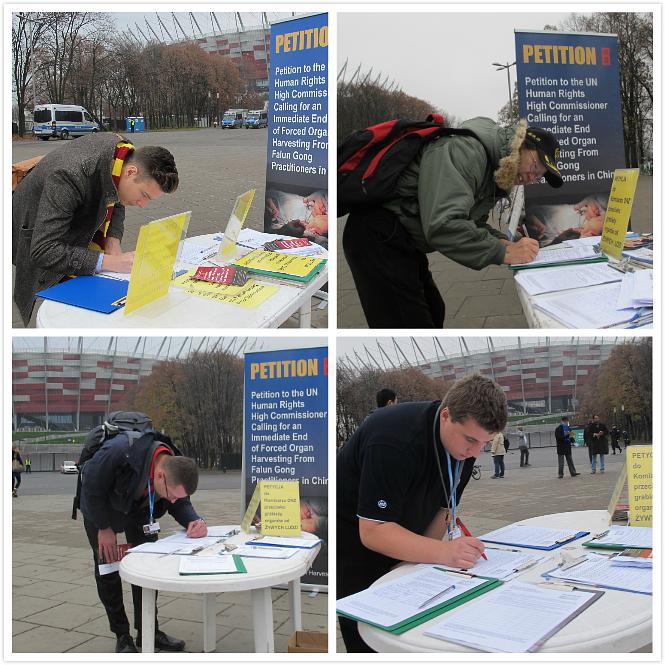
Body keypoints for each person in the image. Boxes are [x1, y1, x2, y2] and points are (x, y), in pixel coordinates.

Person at [337, 374, 507, 652]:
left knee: (412, 635)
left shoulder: (464, 449)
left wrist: (417, 562)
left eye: (485, 443)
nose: (476, 451)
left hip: (401, 531)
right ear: (446, 415)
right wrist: (443, 553)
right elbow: (373, 531)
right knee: (370, 637)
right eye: (470, 440)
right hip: (356, 544)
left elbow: (444, 508)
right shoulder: (392, 440)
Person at [342, 119, 564, 328]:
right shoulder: (466, 152)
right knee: (410, 324)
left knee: (435, 310)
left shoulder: (493, 171)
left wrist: (506, 243)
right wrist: (502, 252)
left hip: (402, 237)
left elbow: (471, 223)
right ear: (520, 144)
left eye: (538, 176)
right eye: (534, 167)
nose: (531, 177)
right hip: (377, 236)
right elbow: (443, 225)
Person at [12, 134, 179, 325]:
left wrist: (112, 241)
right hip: (32, 227)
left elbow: (116, 197)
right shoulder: (68, 176)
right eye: (144, 195)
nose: (142, 205)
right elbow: (44, 250)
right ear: (131, 172)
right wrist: (110, 262)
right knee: (51, 305)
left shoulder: (122, 156)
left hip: (64, 210)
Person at [79, 429, 206, 653]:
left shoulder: (173, 461)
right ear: (159, 476)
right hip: (101, 507)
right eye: (171, 495)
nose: (173, 500)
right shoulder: (118, 452)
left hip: (139, 510)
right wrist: (103, 526)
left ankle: (148, 630)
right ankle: (122, 635)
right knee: (108, 569)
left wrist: (193, 520)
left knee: (147, 568)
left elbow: (180, 499)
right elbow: (90, 486)